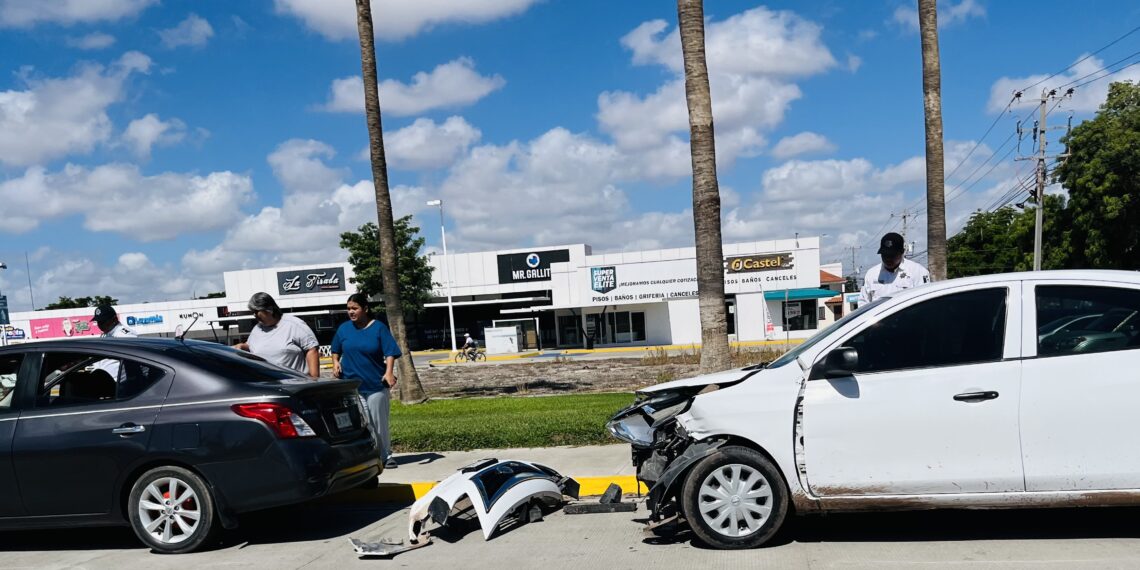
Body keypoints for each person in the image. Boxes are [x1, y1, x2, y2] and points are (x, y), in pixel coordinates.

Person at [331, 293, 401, 469]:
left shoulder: (378, 328)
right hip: (353, 385)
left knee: (379, 422)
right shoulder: (344, 329)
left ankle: (386, 455)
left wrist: (389, 372)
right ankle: (369, 455)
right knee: (364, 422)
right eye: (348, 309)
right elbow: (335, 349)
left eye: (355, 308)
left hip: (375, 385)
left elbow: (390, 352)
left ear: (365, 309)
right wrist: (335, 363)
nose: (351, 312)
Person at [237, 292, 320, 378]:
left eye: (256, 311)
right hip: (267, 385)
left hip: (293, 385)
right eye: (252, 312)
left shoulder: (294, 324)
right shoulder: (257, 328)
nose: (254, 315)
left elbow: (312, 348)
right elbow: (251, 346)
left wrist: (314, 378)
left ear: (269, 309)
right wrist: (242, 346)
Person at [859, 232, 931, 305]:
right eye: (885, 255)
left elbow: (924, 302)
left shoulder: (917, 272)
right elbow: (863, 303)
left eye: (892, 255)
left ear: (902, 252)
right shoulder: (871, 274)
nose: (888, 259)